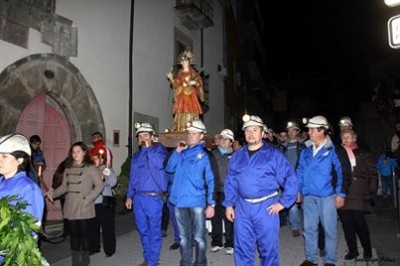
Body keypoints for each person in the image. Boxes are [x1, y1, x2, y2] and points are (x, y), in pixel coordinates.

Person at [223, 115, 298, 266]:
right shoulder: (237, 156)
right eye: (247, 131)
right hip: (242, 207)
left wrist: (283, 203)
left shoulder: (273, 155)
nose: (250, 133)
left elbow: (291, 178)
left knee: (268, 249)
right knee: (242, 248)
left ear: (263, 133)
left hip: (266, 207)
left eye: (255, 130)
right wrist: (229, 204)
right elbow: (231, 181)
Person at [297, 115, 352, 266]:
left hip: (328, 196)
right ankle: (311, 259)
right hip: (309, 196)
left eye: (312, 129)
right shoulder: (306, 150)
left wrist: (341, 194)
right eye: (309, 129)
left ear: (322, 131)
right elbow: (300, 171)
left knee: (329, 230)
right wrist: (298, 190)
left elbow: (344, 172)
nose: (309, 132)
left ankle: (330, 260)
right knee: (309, 229)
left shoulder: (335, 150)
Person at [166, 120, 215, 266]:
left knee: (199, 238)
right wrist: (177, 152)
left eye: (194, 133)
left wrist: (211, 203)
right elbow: (169, 168)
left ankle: (200, 263)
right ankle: (185, 262)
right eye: (190, 133)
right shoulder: (181, 153)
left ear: (201, 136)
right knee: (183, 237)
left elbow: (211, 180)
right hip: (180, 202)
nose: (191, 136)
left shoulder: (205, 155)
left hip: (196, 202)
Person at [46, 142, 104, 266]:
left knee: (84, 234)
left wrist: (88, 199)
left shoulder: (90, 168)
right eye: (73, 151)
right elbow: (63, 187)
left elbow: (99, 185)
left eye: (78, 151)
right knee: (74, 235)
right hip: (71, 205)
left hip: (84, 205)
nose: (75, 154)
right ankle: (75, 262)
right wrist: (53, 194)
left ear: (84, 153)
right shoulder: (68, 168)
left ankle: (84, 260)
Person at [125, 122, 168, 266]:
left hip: (154, 198)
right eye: (140, 135)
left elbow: (157, 164)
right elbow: (133, 176)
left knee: (154, 231)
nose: (142, 138)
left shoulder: (160, 150)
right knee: (143, 230)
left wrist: (150, 147)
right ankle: (148, 257)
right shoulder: (136, 156)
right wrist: (129, 196)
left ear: (152, 136)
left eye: (145, 135)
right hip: (138, 198)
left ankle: (152, 262)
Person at [0, 134, 45, 263]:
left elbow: (30, 230)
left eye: (4, 156)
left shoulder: (29, 189)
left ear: (19, 160)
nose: (0, 160)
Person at [339, 129, 378, 261]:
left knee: (359, 222)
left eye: (348, 137)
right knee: (346, 223)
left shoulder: (363, 154)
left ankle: (367, 249)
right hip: (343, 193)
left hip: (358, 192)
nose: (345, 140)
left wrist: (372, 190)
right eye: (343, 138)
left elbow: (373, 173)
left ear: (354, 138)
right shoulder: (339, 154)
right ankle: (353, 250)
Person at [277, 121, 304, 237]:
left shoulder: (304, 146)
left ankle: (308, 226)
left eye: (293, 130)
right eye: (289, 130)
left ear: (297, 132)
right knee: (292, 203)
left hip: (301, 178)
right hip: (287, 179)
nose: (291, 132)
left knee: (304, 205)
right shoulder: (282, 147)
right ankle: (295, 226)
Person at [210, 129, 235, 255]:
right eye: (221, 138)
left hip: (228, 192)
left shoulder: (236, 156)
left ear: (231, 142)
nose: (223, 141)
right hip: (214, 191)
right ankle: (216, 242)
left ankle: (230, 243)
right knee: (215, 217)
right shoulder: (212, 154)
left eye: (226, 139)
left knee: (229, 218)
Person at [166, 51, 205, 132]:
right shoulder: (180, 74)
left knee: (189, 110)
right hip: (181, 95)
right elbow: (176, 85)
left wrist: (195, 83)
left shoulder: (193, 73)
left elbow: (199, 83)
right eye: (182, 61)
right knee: (180, 110)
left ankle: (190, 126)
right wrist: (171, 79)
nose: (184, 62)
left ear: (189, 62)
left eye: (186, 60)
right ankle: (179, 127)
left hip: (190, 95)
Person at [89, 152, 117, 257]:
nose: (94, 160)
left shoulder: (106, 169)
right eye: (93, 158)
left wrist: (103, 180)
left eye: (96, 158)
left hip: (104, 202)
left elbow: (113, 182)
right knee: (93, 227)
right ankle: (94, 247)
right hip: (92, 203)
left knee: (107, 227)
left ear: (101, 160)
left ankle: (109, 249)